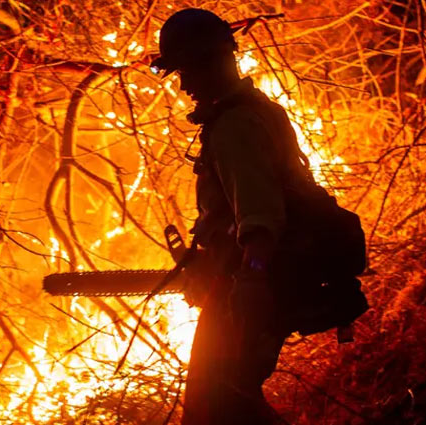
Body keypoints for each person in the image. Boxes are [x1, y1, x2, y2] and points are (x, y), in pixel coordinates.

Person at [150, 8, 319, 424]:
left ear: (209, 61)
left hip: (248, 289)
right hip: (253, 281)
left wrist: (250, 280)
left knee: (216, 409)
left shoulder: (234, 128)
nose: (184, 84)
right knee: (233, 406)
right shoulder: (259, 109)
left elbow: (260, 216)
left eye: (186, 70)